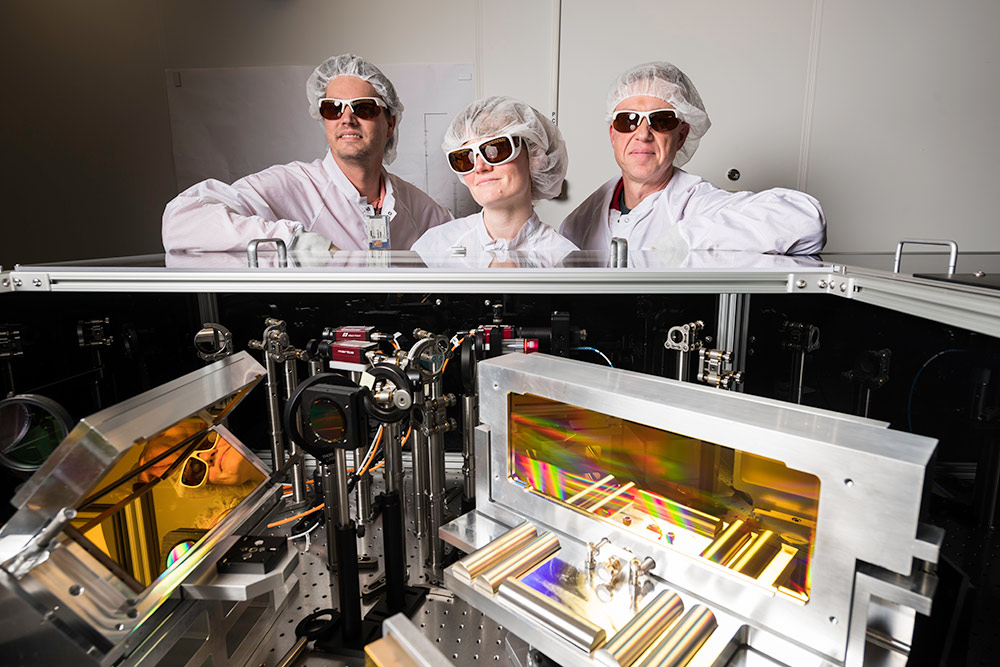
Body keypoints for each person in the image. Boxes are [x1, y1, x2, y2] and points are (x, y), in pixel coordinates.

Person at [162, 54, 452, 253]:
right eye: (332, 108)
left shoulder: (416, 207)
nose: (347, 119)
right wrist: (292, 241)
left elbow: (465, 243)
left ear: (389, 123)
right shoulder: (291, 186)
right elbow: (182, 222)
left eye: (364, 108)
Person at [560, 62, 825, 256]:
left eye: (661, 120)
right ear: (613, 134)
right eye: (627, 120)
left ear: (682, 135)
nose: (642, 134)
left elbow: (806, 223)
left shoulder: (697, 203)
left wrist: (679, 241)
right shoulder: (581, 221)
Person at [412, 96, 577, 267]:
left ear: (536, 158)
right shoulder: (434, 248)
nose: (480, 167)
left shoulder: (563, 258)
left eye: (495, 150)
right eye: (466, 157)